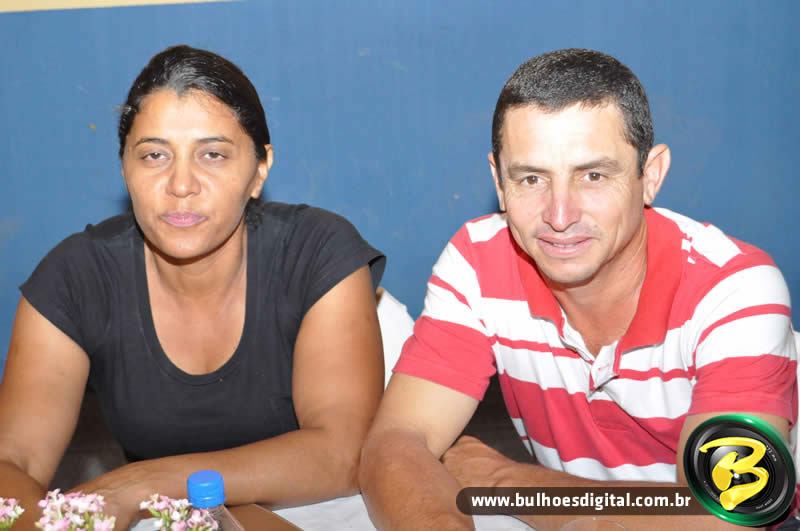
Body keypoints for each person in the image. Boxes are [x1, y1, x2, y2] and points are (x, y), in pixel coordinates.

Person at [360, 48, 797, 530]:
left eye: (593, 176)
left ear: (650, 175)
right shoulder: (476, 262)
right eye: (531, 178)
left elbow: (729, 517)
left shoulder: (732, 289)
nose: (560, 215)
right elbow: (396, 442)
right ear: (498, 182)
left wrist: (509, 483)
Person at [0, 45, 385, 528]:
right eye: (154, 155)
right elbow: (11, 461)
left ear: (260, 169)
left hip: (314, 508)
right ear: (124, 168)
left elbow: (344, 453)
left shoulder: (316, 251)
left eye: (213, 154)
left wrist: (142, 483)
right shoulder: (75, 278)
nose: (181, 184)